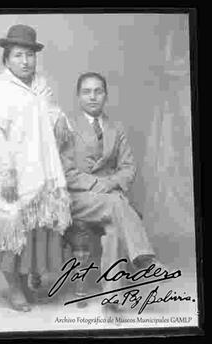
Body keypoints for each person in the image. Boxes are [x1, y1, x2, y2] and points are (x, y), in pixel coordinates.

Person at [0, 24, 72, 312]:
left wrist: (61, 119)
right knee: (13, 234)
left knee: (37, 231)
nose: (25, 61)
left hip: (42, 173)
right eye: (18, 55)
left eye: (30, 55)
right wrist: (6, 174)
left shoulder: (42, 86)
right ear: (6, 59)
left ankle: (33, 276)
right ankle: (14, 288)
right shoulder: (2, 92)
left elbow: (50, 114)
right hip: (12, 175)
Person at [58, 72, 167, 315]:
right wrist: (101, 185)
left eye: (98, 91)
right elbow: (65, 170)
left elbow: (128, 168)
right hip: (78, 197)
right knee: (117, 203)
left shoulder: (116, 129)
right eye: (87, 92)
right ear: (78, 97)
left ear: (106, 95)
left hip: (108, 199)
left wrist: (110, 186)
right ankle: (145, 259)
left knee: (115, 228)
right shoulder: (66, 126)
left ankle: (111, 297)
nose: (93, 97)